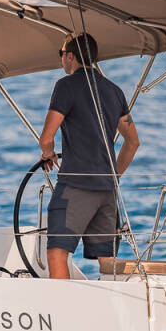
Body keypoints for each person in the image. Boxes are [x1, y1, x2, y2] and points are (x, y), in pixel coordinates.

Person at [38, 33, 140, 278]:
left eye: (61, 53)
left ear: (70, 57)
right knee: (107, 260)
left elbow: (46, 138)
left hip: (76, 186)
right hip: (107, 189)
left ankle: (62, 303)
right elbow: (133, 142)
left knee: (57, 252)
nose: (61, 58)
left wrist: (48, 155)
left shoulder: (65, 86)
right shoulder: (114, 91)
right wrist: (114, 176)